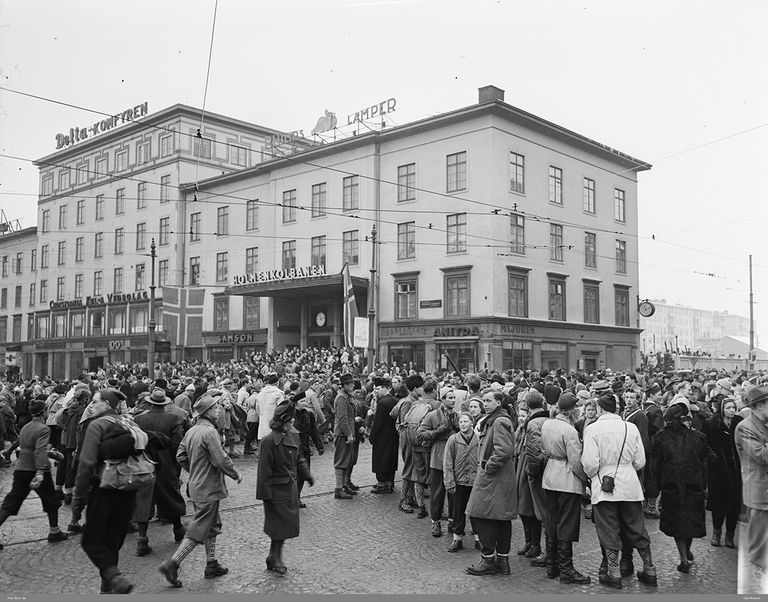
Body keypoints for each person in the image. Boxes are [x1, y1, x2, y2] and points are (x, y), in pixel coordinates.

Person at [158, 393, 242, 588]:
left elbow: (180, 456)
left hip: (196, 485)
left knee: (211, 525)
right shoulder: (209, 432)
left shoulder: (192, 431)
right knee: (201, 527)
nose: (219, 409)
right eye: (215, 408)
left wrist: (194, 470)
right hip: (208, 487)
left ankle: (211, 564)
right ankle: (173, 563)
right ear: (207, 412)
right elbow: (221, 459)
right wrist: (235, 473)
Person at [72, 389, 144, 594]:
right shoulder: (130, 423)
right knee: (112, 542)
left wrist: (78, 502)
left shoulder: (97, 425)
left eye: (95, 402)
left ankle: (114, 578)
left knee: (91, 540)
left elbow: (85, 465)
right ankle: (107, 587)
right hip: (128, 489)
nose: (91, 406)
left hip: (104, 488)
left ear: (106, 404)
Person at [581, 394, 657, 590]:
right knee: (636, 527)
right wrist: (626, 468)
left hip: (604, 484)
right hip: (629, 484)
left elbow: (590, 463)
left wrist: (594, 476)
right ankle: (649, 569)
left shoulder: (592, 429)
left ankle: (613, 573)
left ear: (599, 409)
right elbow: (640, 461)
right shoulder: (629, 427)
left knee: (608, 528)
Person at [255, 400, 314, 575]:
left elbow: (299, 458)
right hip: (275, 491)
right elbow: (263, 471)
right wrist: (265, 496)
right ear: (282, 422)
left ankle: (274, 556)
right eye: (289, 421)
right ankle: (275, 557)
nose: (293, 423)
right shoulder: (268, 442)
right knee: (279, 527)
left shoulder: (292, 436)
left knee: (284, 526)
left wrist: (307, 475)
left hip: (290, 489)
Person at [0, 399, 67, 551]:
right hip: (36, 470)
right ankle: (54, 532)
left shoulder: (25, 427)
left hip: (21, 469)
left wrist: (51, 453)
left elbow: (26, 446)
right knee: (51, 500)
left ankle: (55, 532)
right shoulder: (43, 429)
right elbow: (39, 450)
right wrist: (41, 472)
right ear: (44, 412)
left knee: (11, 503)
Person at [650, 403, 709, 573]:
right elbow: (705, 463)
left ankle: (683, 556)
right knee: (689, 522)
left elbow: (655, 466)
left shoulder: (659, 438)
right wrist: (703, 485)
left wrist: (660, 487)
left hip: (672, 487)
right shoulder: (699, 437)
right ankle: (685, 553)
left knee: (677, 524)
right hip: (693, 486)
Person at [539, 391, 591, 584]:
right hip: (567, 478)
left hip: (550, 475)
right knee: (567, 523)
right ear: (571, 411)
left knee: (552, 520)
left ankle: (552, 564)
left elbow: (543, 449)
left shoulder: (547, 424)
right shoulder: (569, 431)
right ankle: (566, 569)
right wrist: (586, 480)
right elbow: (576, 461)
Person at [464, 390, 517, 577]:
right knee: (500, 519)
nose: (485, 404)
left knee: (483, 516)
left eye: (489, 401)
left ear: (499, 402)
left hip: (494, 479)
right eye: (484, 401)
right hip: (498, 479)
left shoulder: (500, 421)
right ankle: (502, 561)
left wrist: (488, 468)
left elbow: (503, 450)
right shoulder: (496, 419)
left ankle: (488, 560)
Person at [131, 388, 187, 556]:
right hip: (166, 463)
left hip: (144, 462)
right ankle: (178, 529)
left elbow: (134, 442)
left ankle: (142, 540)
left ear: (149, 403)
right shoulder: (173, 418)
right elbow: (178, 443)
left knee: (142, 499)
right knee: (171, 495)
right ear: (165, 403)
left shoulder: (138, 419)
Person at [734, 384, 768, 591]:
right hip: (760, 492)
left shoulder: (764, 424)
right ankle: (757, 581)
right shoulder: (745, 427)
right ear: (760, 405)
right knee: (759, 543)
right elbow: (763, 456)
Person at [418, 386, 459, 537]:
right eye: (450, 397)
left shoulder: (458, 416)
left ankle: (452, 521)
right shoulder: (433, 415)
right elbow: (420, 434)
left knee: (454, 492)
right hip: (438, 457)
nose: (453, 400)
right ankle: (435, 522)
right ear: (442, 399)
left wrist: (458, 428)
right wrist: (438, 431)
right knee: (437, 492)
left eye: (454, 397)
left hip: (454, 458)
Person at [515, 389, 548, 565]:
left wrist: (531, 471)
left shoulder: (534, 423)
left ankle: (534, 544)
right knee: (525, 507)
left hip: (529, 468)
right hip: (524, 466)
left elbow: (534, 451)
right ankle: (530, 543)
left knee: (532, 508)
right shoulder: (533, 421)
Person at [706, 397, 742, 548]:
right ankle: (716, 532)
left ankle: (730, 535)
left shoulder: (739, 423)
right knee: (718, 503)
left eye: (733, 407)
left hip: (735, 469)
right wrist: (714, 459)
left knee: (733, 504)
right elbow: (706, 444)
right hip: (718, 470)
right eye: (728, 408)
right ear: (722, 409)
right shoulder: (712, 424)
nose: (731, 410)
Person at [443, 411, 479, 552]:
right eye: (461, 422)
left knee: (475, 512)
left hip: (474, 481)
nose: (463, 424)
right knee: (458, 511)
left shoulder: (478, 440)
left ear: (472, 423)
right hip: (459, 481)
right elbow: (447, 462)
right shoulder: (453, 440)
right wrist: (449, 481)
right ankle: (457, 539)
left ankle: (478, 538)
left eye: (466, 421)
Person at [292, 391, 324, 507]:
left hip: (304, 448)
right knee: (293, 474)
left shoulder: (308, 415)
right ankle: (291, 497)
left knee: (302, 474)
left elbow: (313, 432)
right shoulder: (290, 414)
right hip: (292, 448)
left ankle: (297, 497)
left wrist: (319, 446)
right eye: (301, 401)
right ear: (295, 403)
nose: (304, 403)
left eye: (305, 401)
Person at [369, 377, 399, 494]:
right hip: (393, 436)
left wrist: (372, 437)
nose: (376, 391)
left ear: (385, 388)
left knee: (380, 460)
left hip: (382, 437)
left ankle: (381, 484)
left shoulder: (382, 403)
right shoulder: (396, 401)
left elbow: (378, 422)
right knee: (391, 459)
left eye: (378, 388)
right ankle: (390, 483)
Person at [332, 373, 357, 499]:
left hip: (346, 433)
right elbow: (342, 418)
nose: (353, 385)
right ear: (344, 385)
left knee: (345, 461)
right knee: (341, 461)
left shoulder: (347, 396)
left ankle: (342, 487)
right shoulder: (341, 398)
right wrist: (348, 434)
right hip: (342, 434)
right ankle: (338, 489)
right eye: (350, 383)